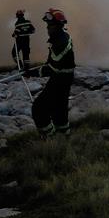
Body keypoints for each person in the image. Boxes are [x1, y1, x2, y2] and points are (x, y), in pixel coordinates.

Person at [28, 8, 75, 138]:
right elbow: (51, 65)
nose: (48, 28)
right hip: (63, 78)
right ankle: (64, 136)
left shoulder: (60, 43)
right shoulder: (60, 38)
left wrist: (31, 73)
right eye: (48, 25)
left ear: (59, 26)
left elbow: (51, 68)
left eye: (51, 25)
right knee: (59, 109)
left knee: (38, 109)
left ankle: (51, 138)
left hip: (60, 80)